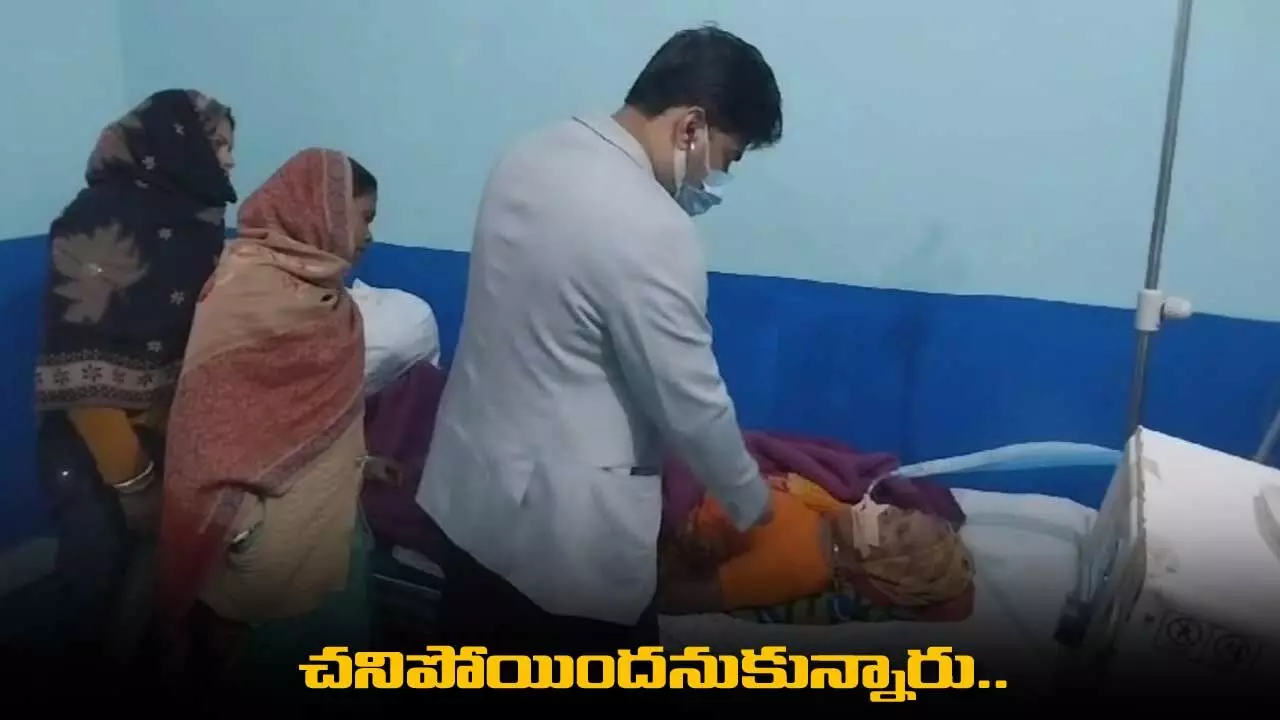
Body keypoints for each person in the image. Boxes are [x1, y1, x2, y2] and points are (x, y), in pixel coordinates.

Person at [417, 25, 785, 655]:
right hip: (561, 546)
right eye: (729, 156)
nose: (719, 177)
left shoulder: (529, 155)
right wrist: (751, 501)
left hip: (470, 500)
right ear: (692, 127)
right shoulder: (651, 226)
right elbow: (691, 403)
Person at [153, 148, 384, 703]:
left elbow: (313, 414)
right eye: (365, 217)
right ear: (323, 210)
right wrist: (243, 528)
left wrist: (364, 462)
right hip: (263, 544)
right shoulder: (245, 292)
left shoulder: (329, 297)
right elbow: (209, 426)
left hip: (324, 526)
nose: (370, 236)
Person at [33, 88, 237, 669]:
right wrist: (134, 481)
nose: (228, 160)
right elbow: (78, 369)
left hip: (168, 436)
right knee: (95, 580)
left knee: (151, 588)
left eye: (231, 148)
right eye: (218, 144)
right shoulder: (95, 221)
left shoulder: (199, 224)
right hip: (94, 449)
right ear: (175, 143)